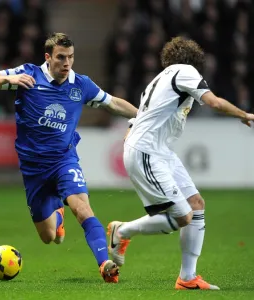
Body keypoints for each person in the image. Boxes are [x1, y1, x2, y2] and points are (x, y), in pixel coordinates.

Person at [0, 32, 138, 283]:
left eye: (71, 57)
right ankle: (58, 215)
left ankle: (104, 265)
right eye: (61, 57)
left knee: (83, 208)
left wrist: (141, 116)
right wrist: (10, 79)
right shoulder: (29, 75)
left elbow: (112, 103)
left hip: (64, 160)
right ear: (48, 57)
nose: (67, 63)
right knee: (50, 236)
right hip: (33, 170)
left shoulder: (81, 85)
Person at [107, 36, 254, 290]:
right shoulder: (186, 72)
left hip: (159, 151)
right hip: (148, 151)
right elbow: (214, 102)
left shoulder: (158, 80)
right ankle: (122, 231)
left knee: (196, 205)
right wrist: (244, 115)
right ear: (195, 62)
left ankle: (187, 278)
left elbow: (142, 117)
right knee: (183, 216)